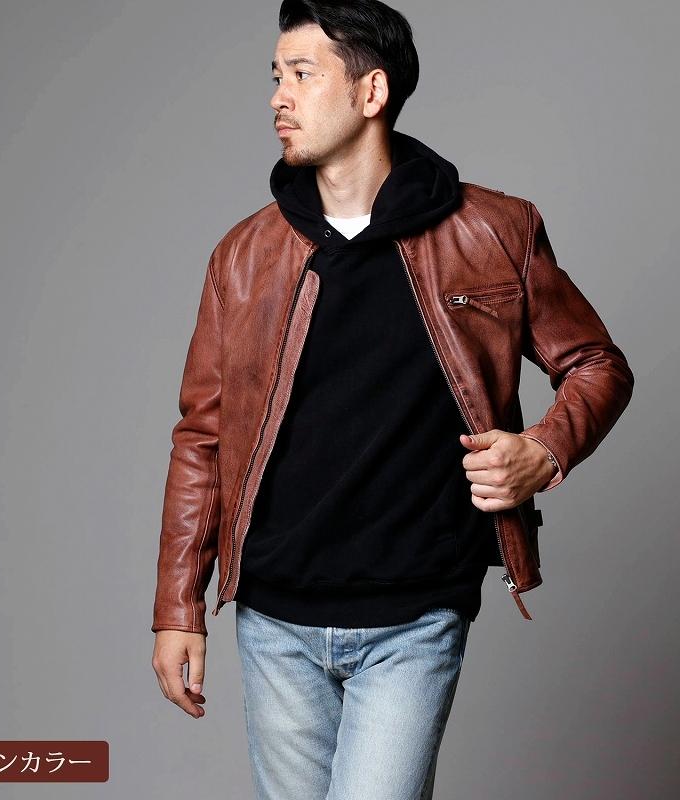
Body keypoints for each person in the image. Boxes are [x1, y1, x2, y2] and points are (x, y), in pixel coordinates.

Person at [151, 1, 635, 797]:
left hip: (416, 615)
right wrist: (178, 607)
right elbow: (202, 436)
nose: (278, 96)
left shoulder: (494, 230)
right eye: (275, 75)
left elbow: (596, 364)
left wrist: (545, 450)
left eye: (301, 74)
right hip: (274, 621)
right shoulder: (243, 255)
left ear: (371, 91)